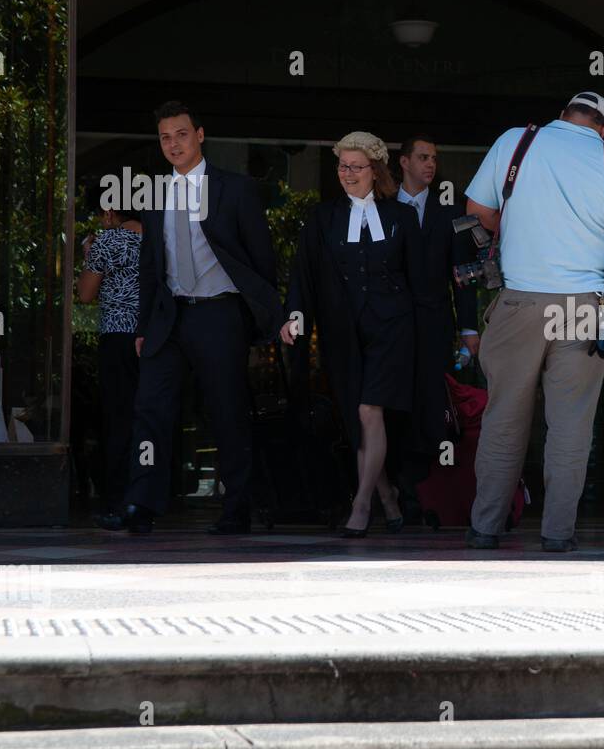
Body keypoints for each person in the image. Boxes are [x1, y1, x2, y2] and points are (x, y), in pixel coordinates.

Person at [462, 92, 604, 552]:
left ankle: (485, 528)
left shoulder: (515, 142)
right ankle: (557, 535)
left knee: (503, 419)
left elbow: (476, 213)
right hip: (585, 309)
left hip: (519, 302)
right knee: (569, 427)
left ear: (564, 115)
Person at [105, 101, 281, 535]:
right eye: (165, 137)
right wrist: (144, 326)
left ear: (199, 135)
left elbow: (262, 262)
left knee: (227, 410)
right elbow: (151, 266)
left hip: (220, 314)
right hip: (170, 317)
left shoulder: (235, 189)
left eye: (181, 134)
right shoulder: (155, 192)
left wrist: (261, 323)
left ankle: (237, 506)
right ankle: (140, 504)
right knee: (150, 409)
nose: (173, 144)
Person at [281, 131, 425, 537]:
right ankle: (388, 496)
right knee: (356, 419)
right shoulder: (323, 217)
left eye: (355, 166)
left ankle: (360, 505)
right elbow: (302, 272)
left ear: (374, 170)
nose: (347, 173)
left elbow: (420, 280)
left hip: (393, 327)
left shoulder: (401, 217)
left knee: (368, 411)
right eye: (342, 166)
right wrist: (295, 314)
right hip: (342, 329)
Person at [393, 134, 480, 482]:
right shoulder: (383, 206)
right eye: (423, 157)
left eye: (434, 158)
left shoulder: (451, 210)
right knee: (397, 403)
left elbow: (462, 274)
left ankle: (433, 488)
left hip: (435, 325)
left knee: (435, 405)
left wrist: (469, 328)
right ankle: (400, 487)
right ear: (404, 162)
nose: (431, 164)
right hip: (392, 324)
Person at [78, 205, 143, 523]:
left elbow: (86, 293)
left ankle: (117, 499)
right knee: (150, 416)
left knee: (118, 417)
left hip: (118, 336)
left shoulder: (108, 240)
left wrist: (89, 254)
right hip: (153, 336)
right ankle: (150, 495)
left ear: (110, 212)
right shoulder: (159, 237)